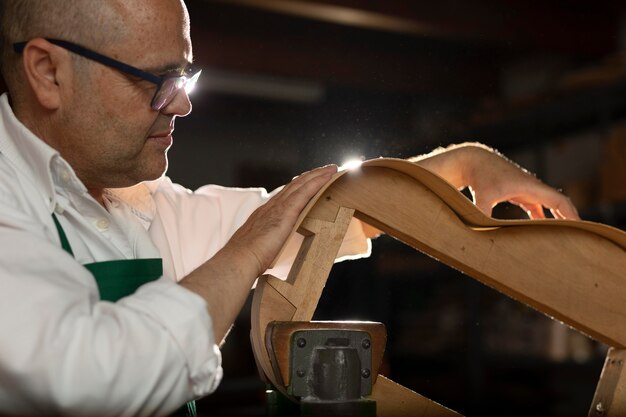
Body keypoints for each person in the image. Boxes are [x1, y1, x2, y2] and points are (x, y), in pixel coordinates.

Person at [0, 0, 579, 416]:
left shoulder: (138, 204)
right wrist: (248, 249)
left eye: (185, 76)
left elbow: (318, 219)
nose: (181, 105)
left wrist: (459, 164)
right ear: (49, 72)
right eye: (155, 80)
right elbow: (86, 378)